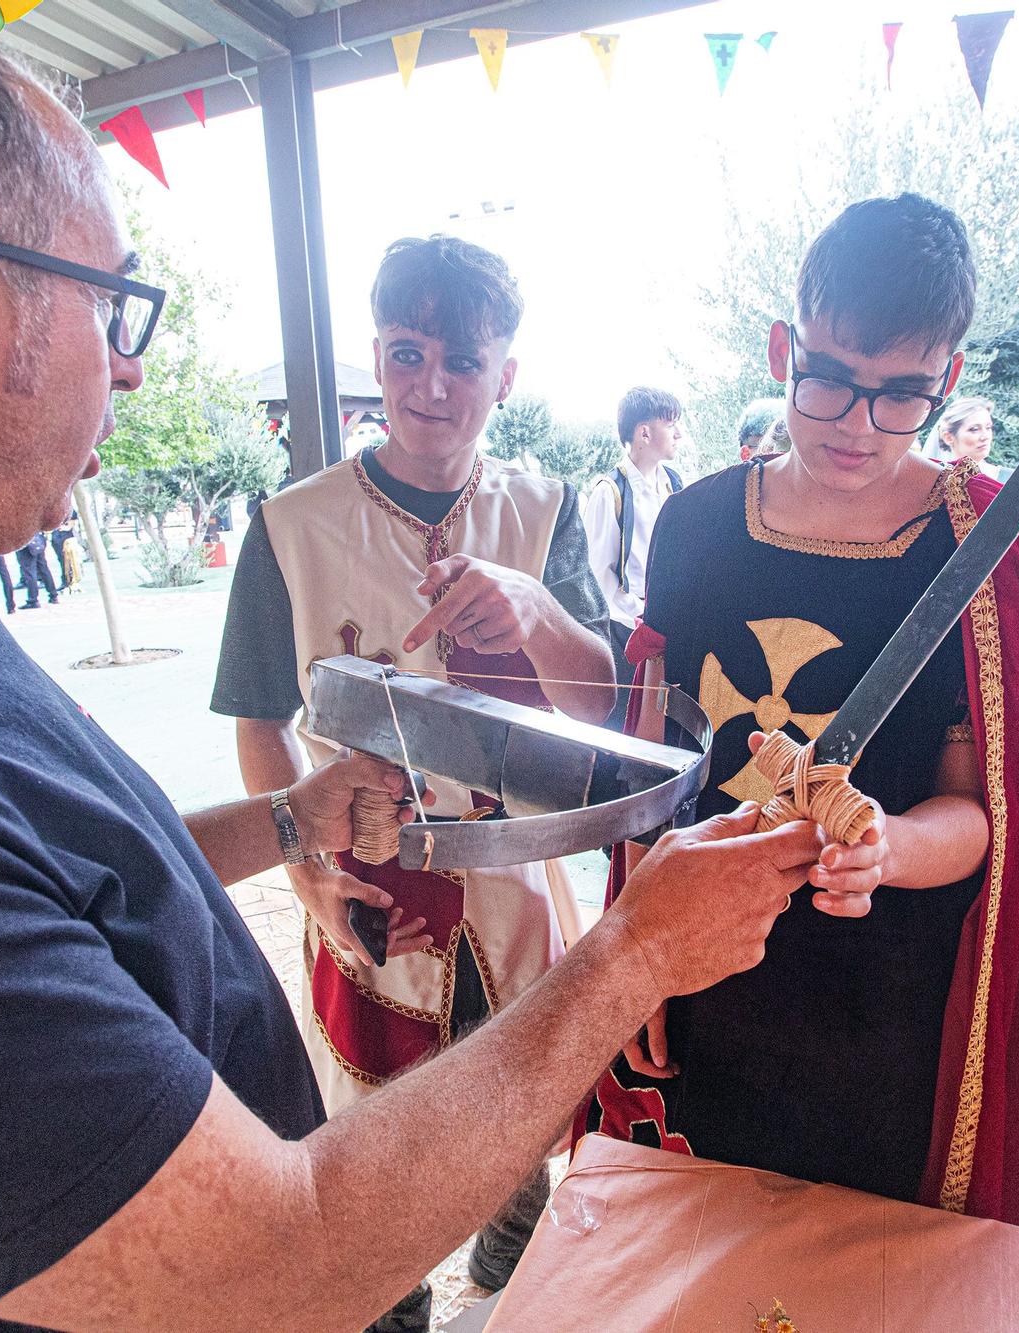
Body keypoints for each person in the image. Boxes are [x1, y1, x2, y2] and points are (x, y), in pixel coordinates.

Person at [0, 6, 834, 1331]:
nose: (125, 363)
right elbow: (268, 1271)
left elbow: (19, 873)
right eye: (111, 301)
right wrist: (635, 953)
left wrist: (281, 822)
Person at [592, 195, 1019, 1234]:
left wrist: (887, 848)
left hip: (886, 1004)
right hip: (710, 970)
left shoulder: (993, 550)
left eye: (900, 393)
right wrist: (628, 956)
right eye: (826, 378)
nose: (856, 425)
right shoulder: (693, 524)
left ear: (945, 376)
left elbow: (979, 812)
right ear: (782, 347)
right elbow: (654, 773)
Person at [212, 235, 617, 1328]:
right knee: (373, 1145)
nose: (430, 388)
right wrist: (306, 879)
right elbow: (259, 721)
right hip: (370, 881)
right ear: (376, 358)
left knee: (526, 1104)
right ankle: (393, 1306)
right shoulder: (290, 526)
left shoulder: (544, 511)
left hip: (520, 882)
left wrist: (536, 612)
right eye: (405, 354)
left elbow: (604, 705)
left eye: (463, 362)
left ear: (505, 375)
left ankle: (509, 1255)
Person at [583, 385, 686, 686]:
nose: (678, 433)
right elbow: (597, 578)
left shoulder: (673, 485)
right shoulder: (611, 492)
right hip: (622, 628)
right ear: (644, 433)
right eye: (670, 425)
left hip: (663, 623)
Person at [931, 394, 1009, 481]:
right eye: (974, 429)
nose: (985, 436)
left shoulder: (1009, 478)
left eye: (988, 428)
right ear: (948, 437)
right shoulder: (935, 480)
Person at [14, 528, 59, 607]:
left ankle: (33, 600)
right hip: (37, 538)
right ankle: (53, 595)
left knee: (30, 572)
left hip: (24, 540)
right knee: (43, 568)